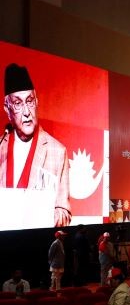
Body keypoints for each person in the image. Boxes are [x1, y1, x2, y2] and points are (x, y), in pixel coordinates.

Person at [0, 64, 71, 227]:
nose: (26, 112)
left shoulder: (57, 151)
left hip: (37, 239)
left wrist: (38, 215)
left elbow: (64, 213)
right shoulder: (1, 147)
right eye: (17, 103)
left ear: (37, 102)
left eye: (30, 101)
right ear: (7, 109)